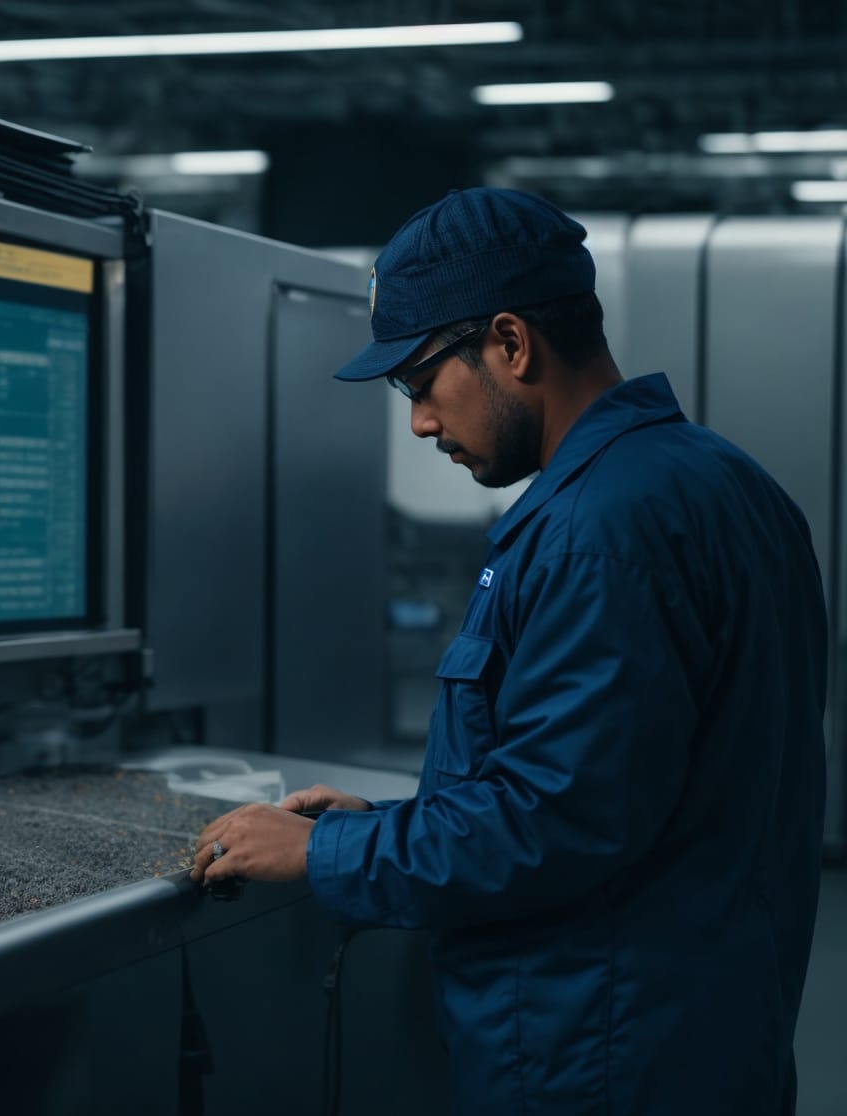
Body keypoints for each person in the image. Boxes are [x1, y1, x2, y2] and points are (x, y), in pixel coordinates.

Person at [189, 187, 827, 1115]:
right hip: (708, 1029)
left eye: (419, 383)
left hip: (599, 1054)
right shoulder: (725, 483)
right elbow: (637, 779)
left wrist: (328, 858)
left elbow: (553, 824)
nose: (418, 422)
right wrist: (375, 821)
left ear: (511, 343)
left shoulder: (596, 529)